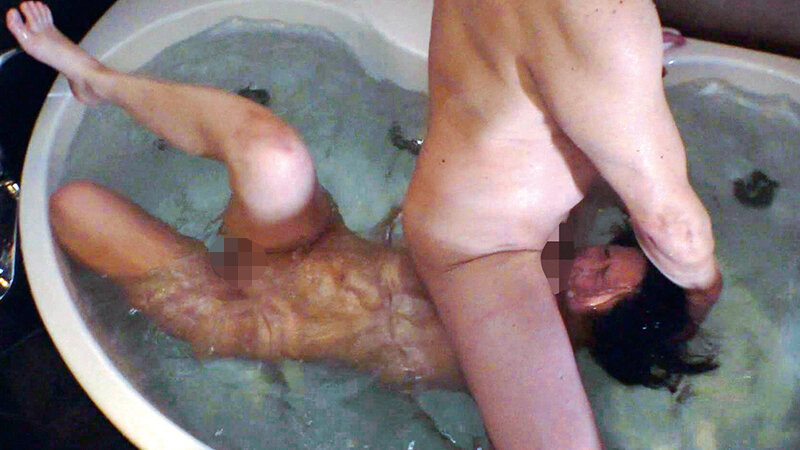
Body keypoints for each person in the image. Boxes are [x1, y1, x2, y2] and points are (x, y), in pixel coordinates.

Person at [8, 1, 719, 446]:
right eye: (606, 260)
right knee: (272, 152)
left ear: (606, 327)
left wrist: (694, 292)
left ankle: (122, 356)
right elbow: (575, 166)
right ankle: (97, 79)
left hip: (253, 314)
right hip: (312, 241)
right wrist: (620, 80)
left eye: (604, 290)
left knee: (71, 206)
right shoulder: (549, 252)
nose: (589, 271)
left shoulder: (518, 336)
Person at [401, 0, 723, 447]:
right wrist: (703, 293)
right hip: (482, 251)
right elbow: (672, 228)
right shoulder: (609, 22)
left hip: (462, 197)